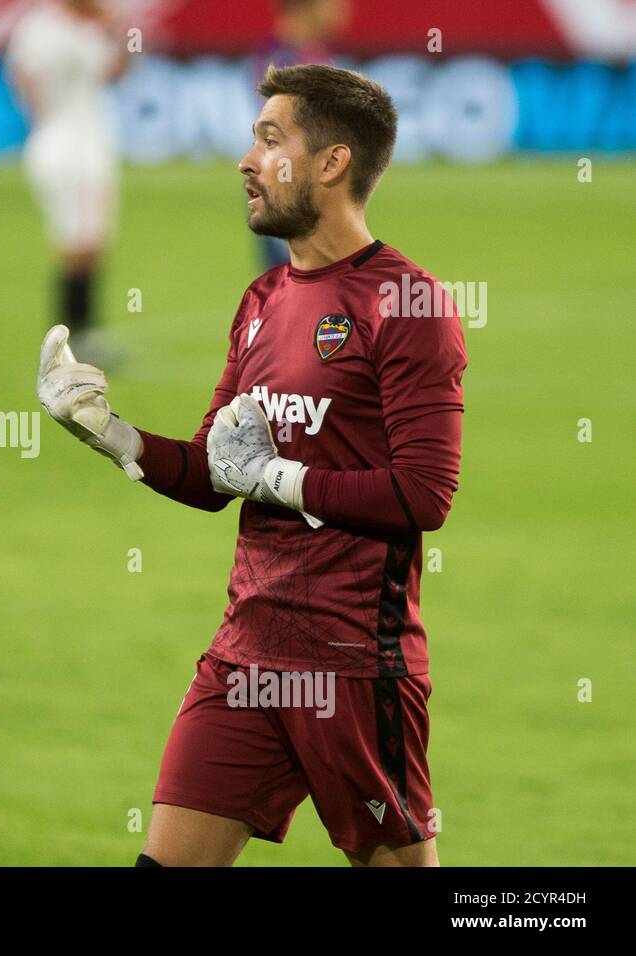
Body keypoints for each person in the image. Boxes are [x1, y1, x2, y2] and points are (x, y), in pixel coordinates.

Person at [35, 64, 467, 866]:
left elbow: (424, 494)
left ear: (332, 163)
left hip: (351, 666)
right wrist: (109, 433)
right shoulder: (265, 300)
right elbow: (211, 474)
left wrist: (280, 481)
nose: (245, 158)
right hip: (245, 655)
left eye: (271, 140)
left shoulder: (409, 306)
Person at [6, 0, 129, 366]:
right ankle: (72, 341)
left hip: (73, 143)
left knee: (86, 242)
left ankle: (76, 338)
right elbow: (114, 70)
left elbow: (20, 76)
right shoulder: (56, 28)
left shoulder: (44, 28)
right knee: (81, 243)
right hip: (71, 148)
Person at [252, 0, 348, 271]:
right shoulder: (282, 56)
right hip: (288, 179)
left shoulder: (312, 52)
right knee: (292, 279)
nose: (341, 10)